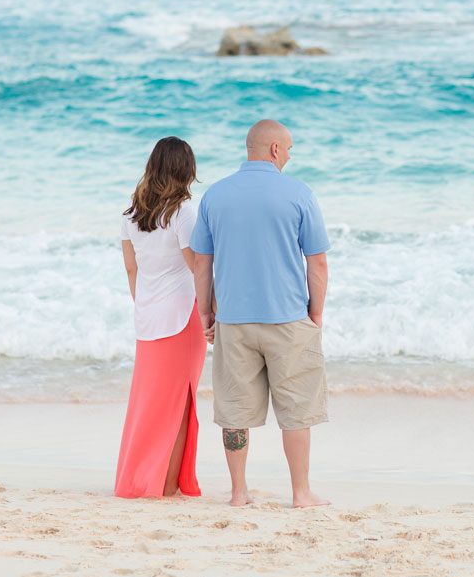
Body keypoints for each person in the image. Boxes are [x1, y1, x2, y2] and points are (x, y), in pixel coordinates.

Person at [190, 119, 330, 508]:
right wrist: (315, 314)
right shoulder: (299, 193)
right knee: (296, 409)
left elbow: (203, 262)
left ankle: (239, 493)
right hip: (288, 319)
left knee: (235, 411)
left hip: (234, 321)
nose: (288, 156)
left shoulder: (214, 196)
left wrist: (207, 311)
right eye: (287, 149)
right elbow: (316, 263)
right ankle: (301, 493)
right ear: (273, 149)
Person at [115, 137, 207, 499]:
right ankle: (167, 485)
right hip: (184, 316)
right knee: (180, 402)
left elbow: (130, 268)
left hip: (149, 316)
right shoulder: (183, 211)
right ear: (186, 170)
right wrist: (214, 308)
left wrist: (145, 303)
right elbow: (197, 265)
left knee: (150, 402)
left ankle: (141, 478)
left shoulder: (131, 212)